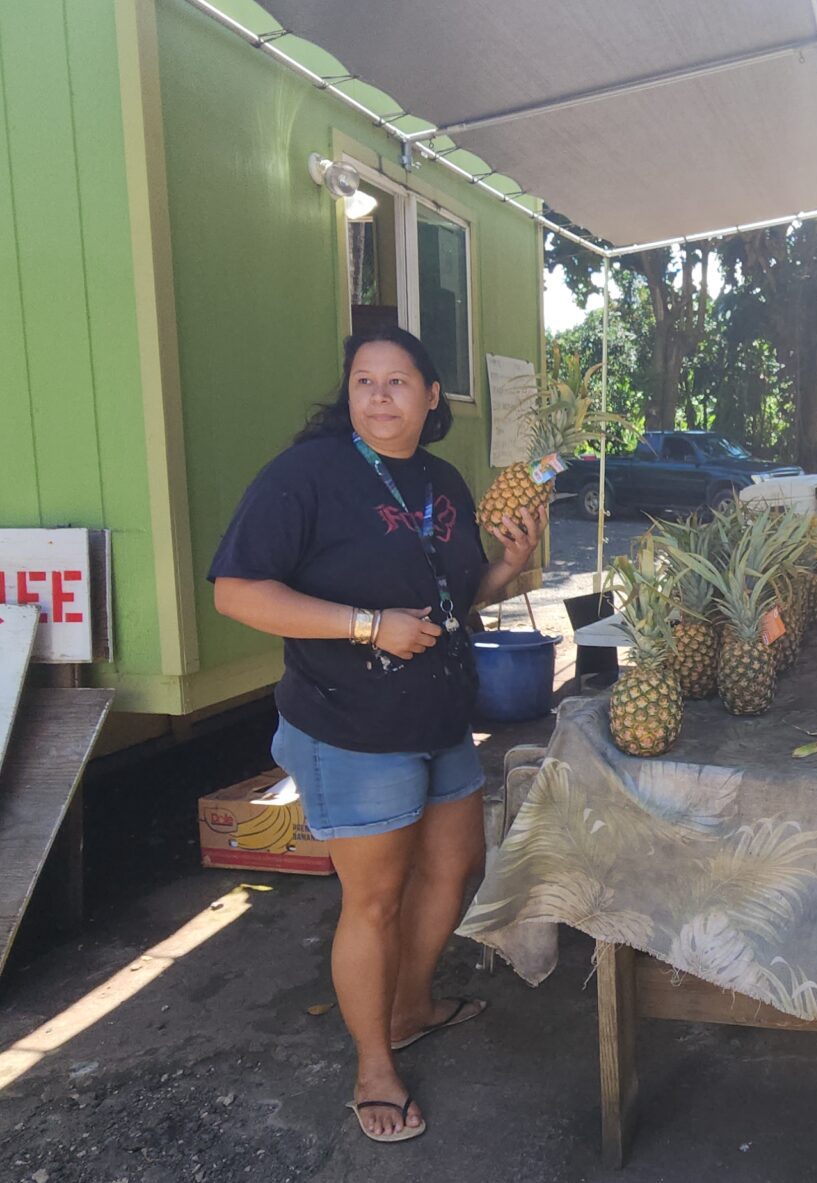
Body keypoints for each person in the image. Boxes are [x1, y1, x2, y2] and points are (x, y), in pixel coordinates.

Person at [209, 326, 547, 1142]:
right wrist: (366, 624)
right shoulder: (306, 475)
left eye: (398, 381)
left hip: (438, 716)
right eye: (364, 380)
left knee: (457, 865)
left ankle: (409, 1006)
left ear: (431, 397)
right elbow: (236, 592)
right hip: (350, 722)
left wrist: (506, 567)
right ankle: (373, 1067)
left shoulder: (440, 479)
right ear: (349, 393)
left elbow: (451, 598)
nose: (380, 395)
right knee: (375, 898)